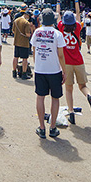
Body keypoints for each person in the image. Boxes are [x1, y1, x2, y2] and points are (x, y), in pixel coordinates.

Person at [30, 9, 66, 138]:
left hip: (40, 69)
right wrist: (64, 71)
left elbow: (34, 50)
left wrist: (37, 63)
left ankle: (41, 127)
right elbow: (61, 55)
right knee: (55, 98)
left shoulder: (37, 32)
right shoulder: (57, 34)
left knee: (40, 97)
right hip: (54, 70)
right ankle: (52, 127)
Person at [12, 8, 34, 79]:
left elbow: (13, 31)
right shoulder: (26, 23)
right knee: (25, 59)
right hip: (24, 43)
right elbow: (27, 34)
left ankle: (14, 72)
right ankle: (24, 73)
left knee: (15, 57)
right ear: (27, 15)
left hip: (16, 42)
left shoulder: (16, 20)